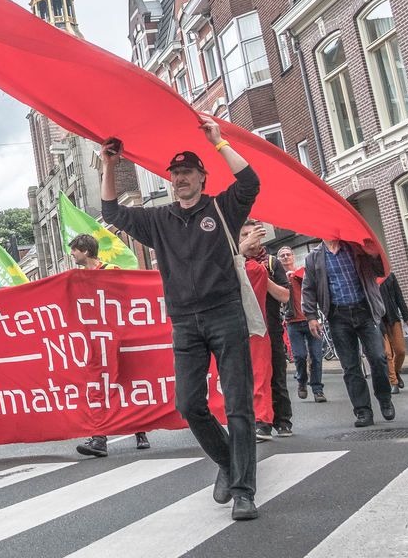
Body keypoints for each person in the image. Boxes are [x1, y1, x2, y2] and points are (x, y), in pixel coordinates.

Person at [100, 114, 261, 521]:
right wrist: (109, 165)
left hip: (225, 315)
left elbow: (250, 182)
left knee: (238, 406)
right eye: (175, 174)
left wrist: (219, 141)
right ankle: (227, 462)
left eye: (188, 172)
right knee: (189, 404)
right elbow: (112, 212)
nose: (180, 178)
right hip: (185, 323)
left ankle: (244, 493)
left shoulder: (222, 208)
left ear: (202, 177)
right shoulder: (159, 220)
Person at [67, 234, 150, 456]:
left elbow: (126, 301)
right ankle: (99, 439)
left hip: (117, 339)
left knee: (127, 384)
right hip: (94, 342)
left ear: (85, 251)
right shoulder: (76, 278)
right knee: (96, 387)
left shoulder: (111, 270)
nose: (72, 254)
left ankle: (140, 431)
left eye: (74, 250)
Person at [301, 239, 394, 428]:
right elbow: (308, 289)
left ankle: (384, 399)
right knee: (351, 366)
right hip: (338, 316)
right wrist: (311, 316)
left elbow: (382, 272)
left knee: (378, 357)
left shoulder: (356, 248)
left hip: (365, 311)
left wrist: (374, 255)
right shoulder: (313, 258)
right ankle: (363, 411)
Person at [239, 224, 292, 439]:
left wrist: (262, 277)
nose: (250, 238)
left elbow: (285, 296)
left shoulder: (271, 263)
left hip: (271, 327)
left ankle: (283, 420)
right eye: (244, 234)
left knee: (277, 375)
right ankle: (262, 422)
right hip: (247, 330)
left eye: (253, 234)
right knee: (254, 377)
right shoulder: (235, 263)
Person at [278, 247, 326, 403]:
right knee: (299, 356)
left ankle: (318, 389)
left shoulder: (303, 274)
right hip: (292, 323)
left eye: (288, 254)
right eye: (282, 256)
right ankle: (302, 381)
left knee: (316, 356)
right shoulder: (278, 279)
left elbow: (315, 287)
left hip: (311, 320)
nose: (286, 257)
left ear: (293, 257)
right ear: (279, 260)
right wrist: (284, 281)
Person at [380, 273, 408, 394]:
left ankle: (396, 371)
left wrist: (407, 318)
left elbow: (399, 298)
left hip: (393, 318)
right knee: (387, 353)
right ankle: (393, 382)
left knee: (400, 350)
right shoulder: (368, 279)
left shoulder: (390, 276)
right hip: (378, 322)